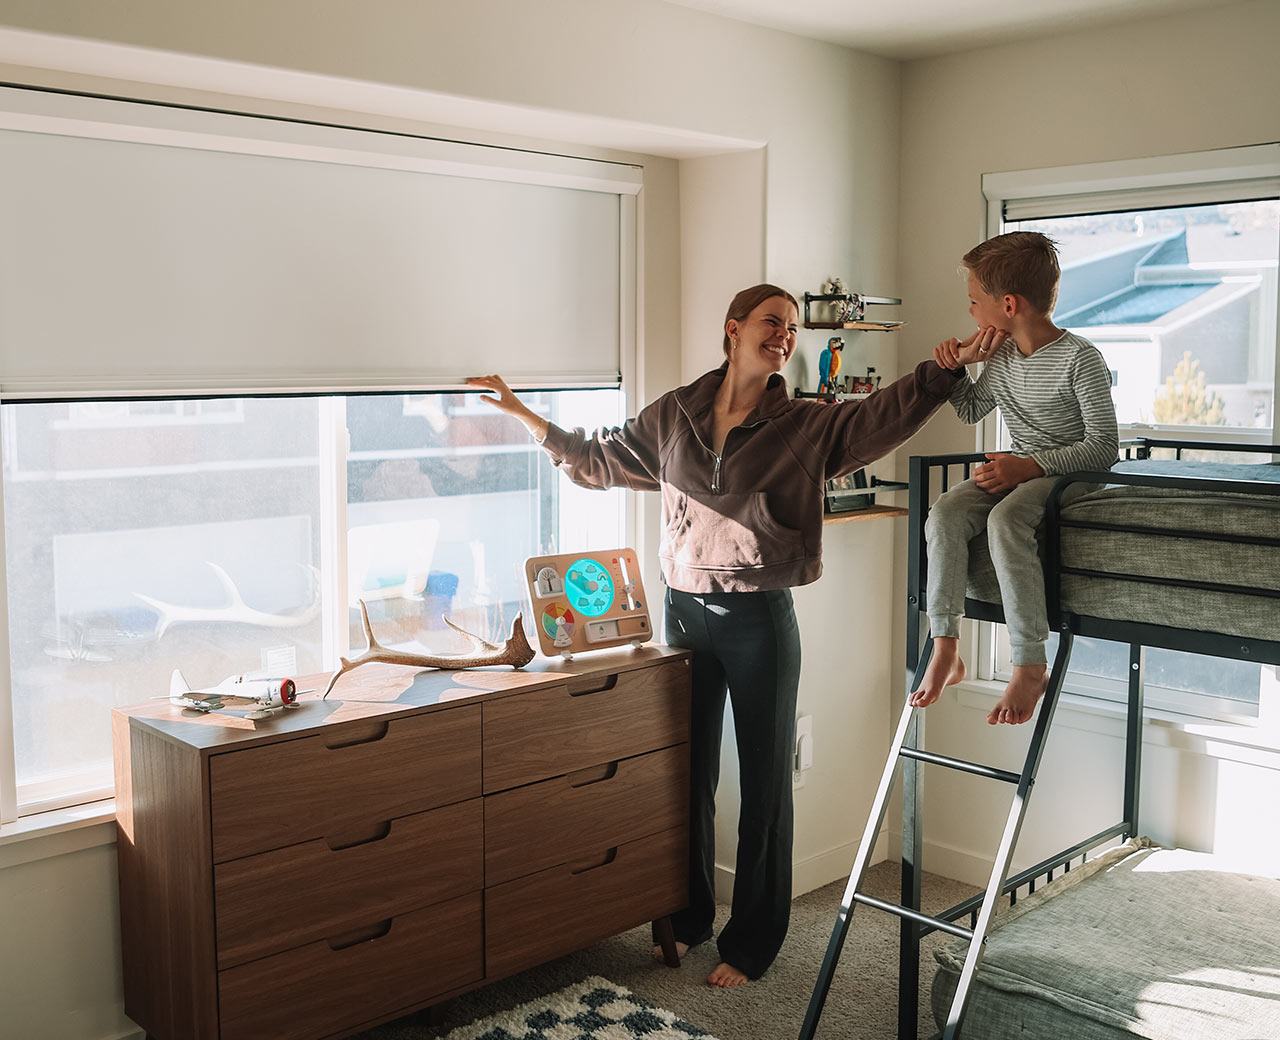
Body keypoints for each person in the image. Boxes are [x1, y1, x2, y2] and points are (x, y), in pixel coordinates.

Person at [468, 283, 965, 987]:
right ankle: (690, 915)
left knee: (764, 786)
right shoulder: (675, 414)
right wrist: (527, 417)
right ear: (733, 330)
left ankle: (753, 941)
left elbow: (879, 418)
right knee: (687, 772)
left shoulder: (804, 426)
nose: (784, 336)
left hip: (759, 617)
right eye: (772, 322)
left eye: (791, 328)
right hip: (680, 611)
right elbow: (601, 458)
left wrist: (937, 376)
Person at [908, 232, 1118, 725]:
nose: (972, 315)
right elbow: (972, 409)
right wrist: (958, 367)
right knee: (944, 514)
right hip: (1021, 467)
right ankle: (946, 646)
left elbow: (1105, 448)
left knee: (1006, 522)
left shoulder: (1079, 358)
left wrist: (1032, 466)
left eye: (974, 303)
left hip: (1075, 473)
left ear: (1008, 304)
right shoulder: (1000, 357)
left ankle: (1029, 662)